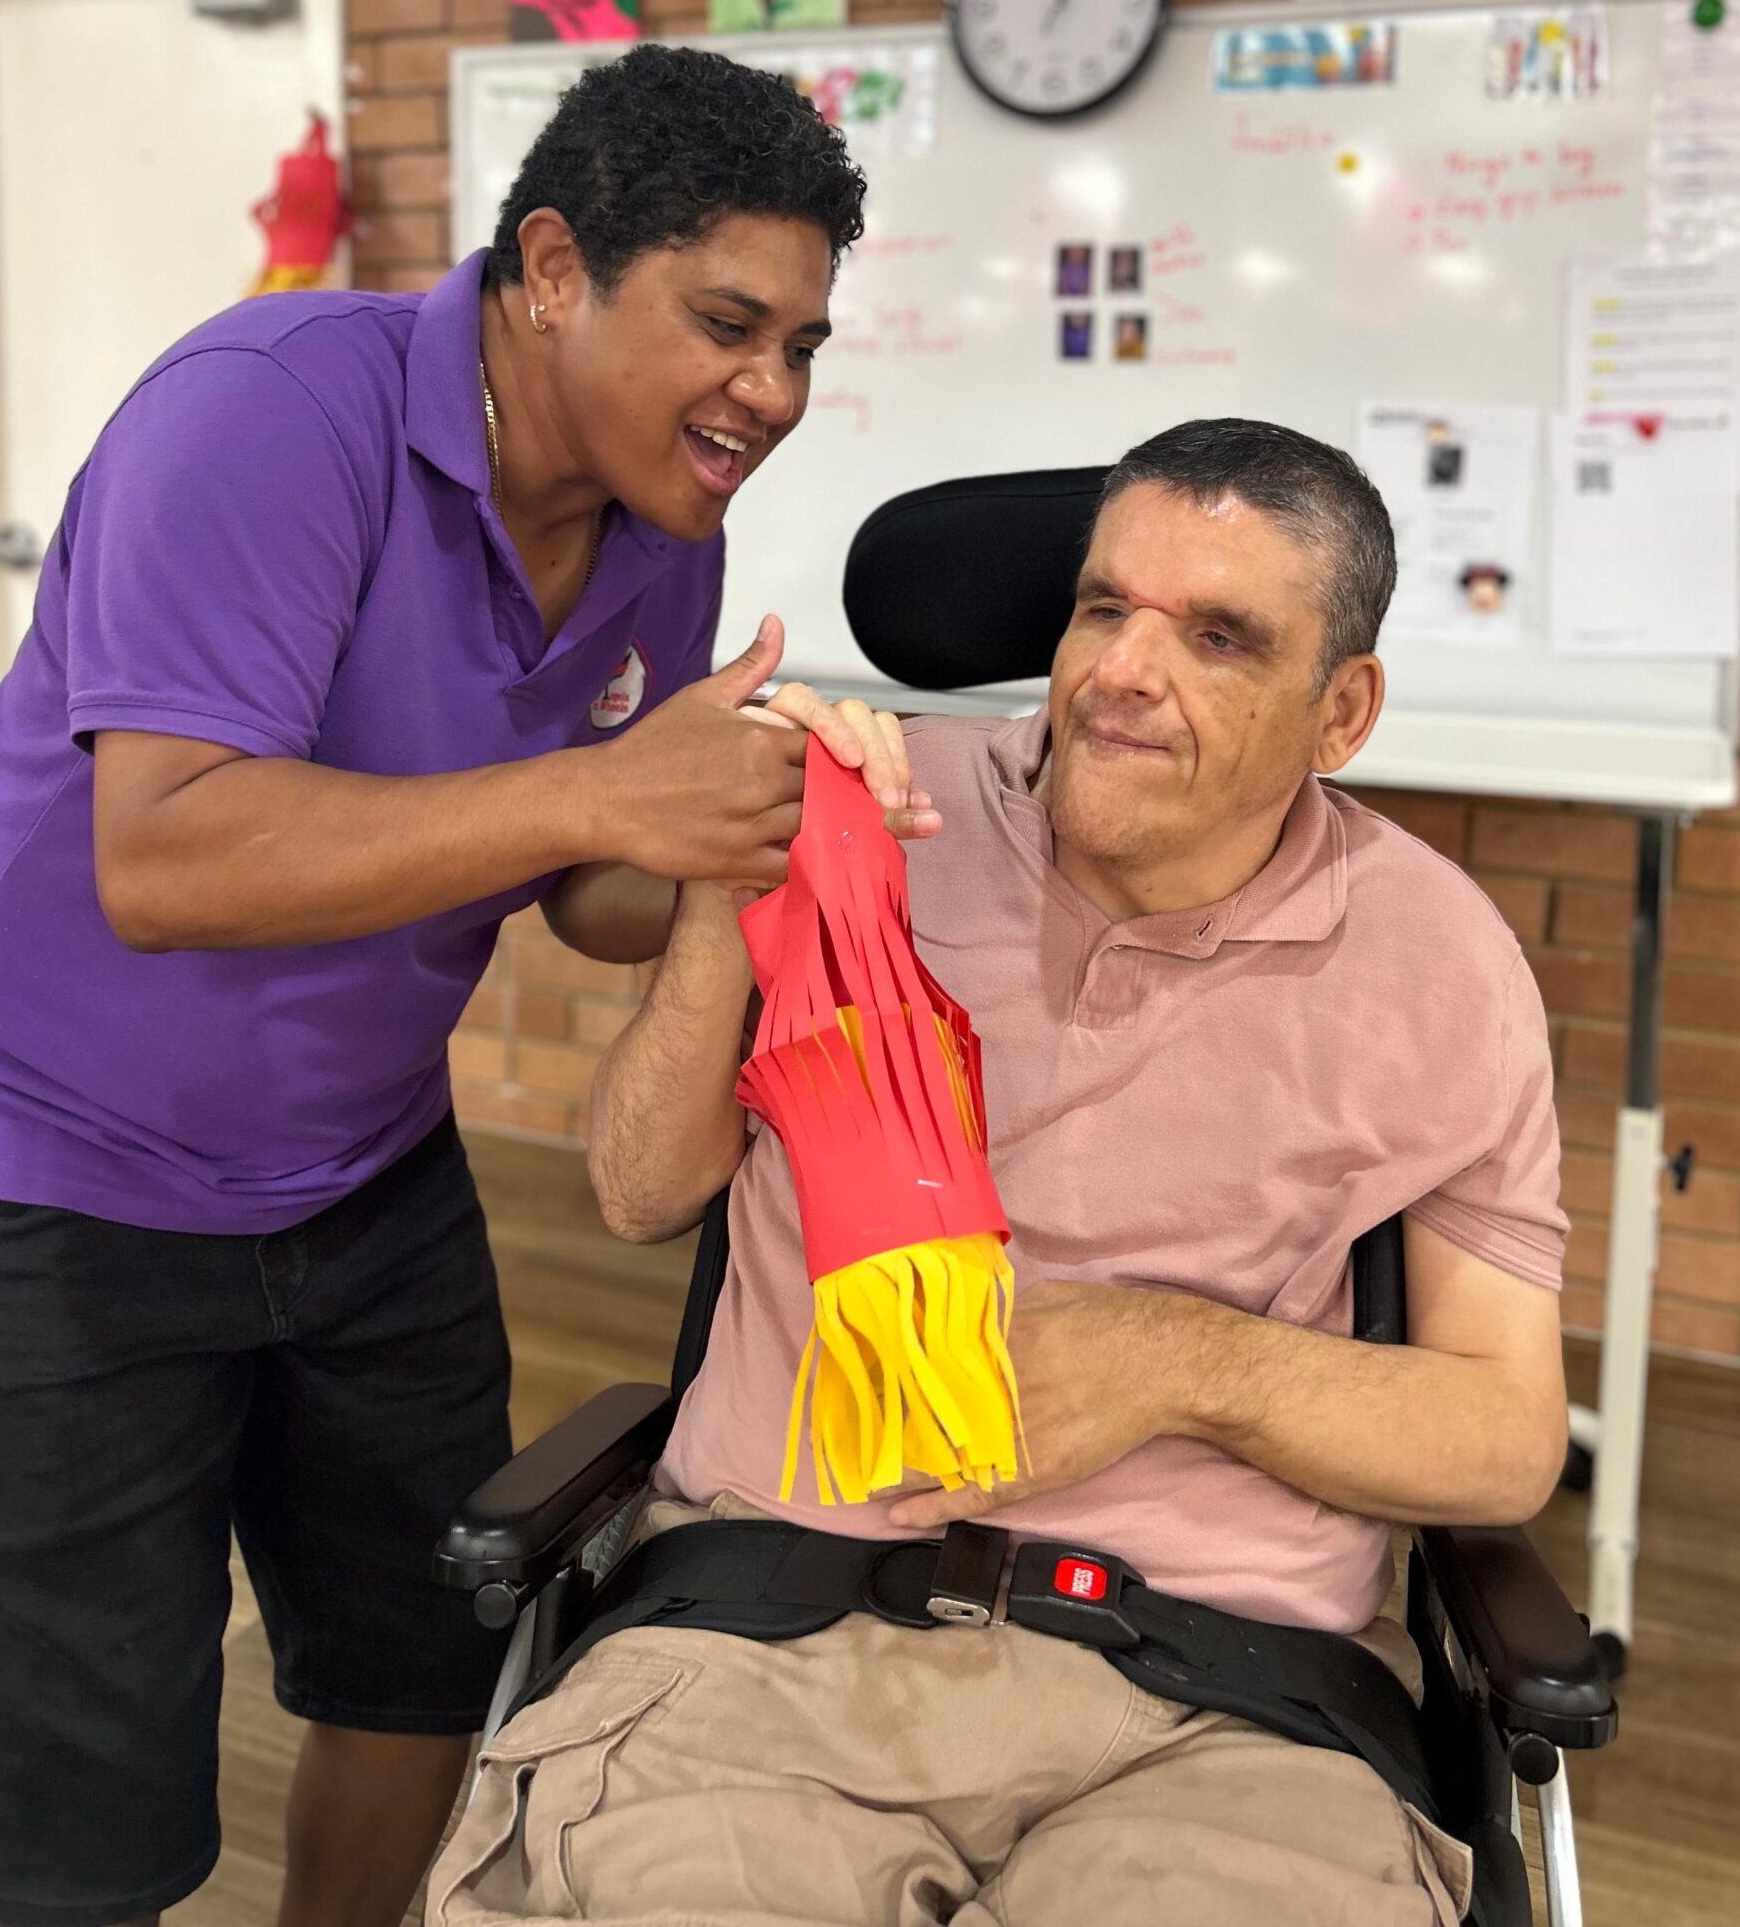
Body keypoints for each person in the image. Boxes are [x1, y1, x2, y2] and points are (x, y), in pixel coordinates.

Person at [0, 46, 920, 1927]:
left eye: (801, 346)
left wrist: (746, 839)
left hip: (363, 1173)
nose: (768, 394)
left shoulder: (651, 531)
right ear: (552, 267)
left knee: (428, 1663)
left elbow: (570, 886)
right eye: (727, 325)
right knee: (68, 1803)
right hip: (29, 1171)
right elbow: (173, 857)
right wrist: (615, 787)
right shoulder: (270, 413)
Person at [431, 420, 1570, 1927]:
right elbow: (642, 1194)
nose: (1122, 673)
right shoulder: (880, 818)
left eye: (1218, 636)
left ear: (1340, 710)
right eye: (1106, 609)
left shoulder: (1438, 960)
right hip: (772, 1637)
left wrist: (1176, 1363)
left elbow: (1500, 1437)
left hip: (1219, 1713)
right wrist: (739, 879)